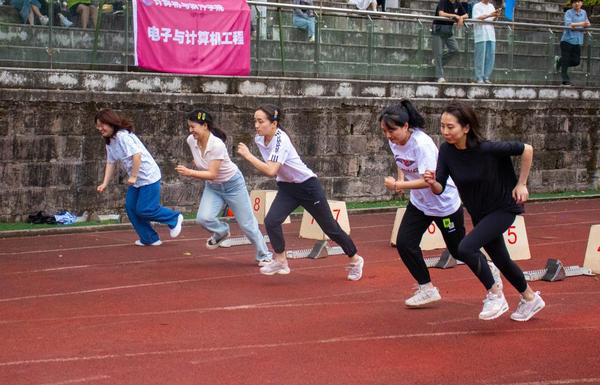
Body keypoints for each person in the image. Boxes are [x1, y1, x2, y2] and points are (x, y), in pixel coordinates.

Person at [423, 102, 545, 322]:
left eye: (450, 127)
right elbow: (440, 188)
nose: (445, 131)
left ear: (466, 128)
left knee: (465, 248)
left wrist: (522, 184)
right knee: (502, 260)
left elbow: (527, 149)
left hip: (503, 208)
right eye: (442, 126)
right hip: (479, 214)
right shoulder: (447, 152)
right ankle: (530, 298)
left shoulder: (488, 148)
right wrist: (432, 183)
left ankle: (495, 295)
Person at [380, 100, 503, 314]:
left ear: (406, 126)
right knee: (405, 243)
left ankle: (492, 279)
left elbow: (430, 180)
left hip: (443, 203)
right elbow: (402, 163)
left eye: (392, 130)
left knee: (460, 250)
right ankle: (426, 288)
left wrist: (399, 185)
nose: (388, 136)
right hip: (420, 203)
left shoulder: (422, 144)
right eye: (384, 131)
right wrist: (401, 177)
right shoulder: (394, 141)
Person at [236, 104, 365, 280]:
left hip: (307, 187)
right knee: (271, 221)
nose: (256, 126)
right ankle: (280, 260)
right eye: (255, 121)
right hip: (287, 188)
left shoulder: (282, 140)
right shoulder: (260, 139)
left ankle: (355, 259)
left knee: (330, 228)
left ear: (274, 124)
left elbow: (271, 170)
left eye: (260, 121)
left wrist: (248, 156)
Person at [175, 109, 273, 266]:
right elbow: (204, 164)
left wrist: (189, 172)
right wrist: (198, 163)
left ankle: (264, 255)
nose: (190, 131)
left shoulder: (217, 145)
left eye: (193, 127)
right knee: (203, 218)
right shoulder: (190, 140)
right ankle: (221, 232)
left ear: (205, 126)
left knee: (247, 224)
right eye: (189, 127)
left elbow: (213, 173)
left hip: (233, 185)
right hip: (213, 187)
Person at [95, 109, 183, 246]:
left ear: (110, 122)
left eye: (102, 125)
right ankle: (149, 238)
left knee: (145, 209)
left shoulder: (122, 136)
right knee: (131, 208)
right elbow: (110, 162)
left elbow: (137, 155)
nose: (100, 129)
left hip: (148, 176)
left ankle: (174, 218)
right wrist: (105, 183)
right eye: (98, 126)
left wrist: (134, 176)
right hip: (136, 179)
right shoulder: (110, 141)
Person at [555, 0, 590, 86]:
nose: (577, 3)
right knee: (566, 61)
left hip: (578, 41)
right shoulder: (568, 12)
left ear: (581, 3)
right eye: (574, 2)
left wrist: (577, 25)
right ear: (572, 4)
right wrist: (582, 24)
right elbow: (569, 25)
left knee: (576, 61)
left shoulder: (584, 12)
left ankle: (559, 60)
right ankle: (565, 80)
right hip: (567, 40)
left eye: (578, 1)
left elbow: (588, 24)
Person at [431, 0, 468, 83]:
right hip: (438, 29)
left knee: (455, 49)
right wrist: (455, 15)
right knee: (439, 53)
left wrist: (461, 17)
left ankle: (436, 62)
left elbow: (466, 15)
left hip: (448, 31)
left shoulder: (457, 3)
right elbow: (441, 13)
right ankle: (440, 77)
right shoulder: (443, 1)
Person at [472, 0, 500, 83]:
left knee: (490, 56)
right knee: (480, 57)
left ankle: (486, 77)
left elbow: (493, 21)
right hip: (481, 34)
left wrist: (496, 15)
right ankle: (479, 77)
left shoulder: (491, 6)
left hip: (491, 34)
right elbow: (476, 18)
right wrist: (490, 15)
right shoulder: (477, 6)